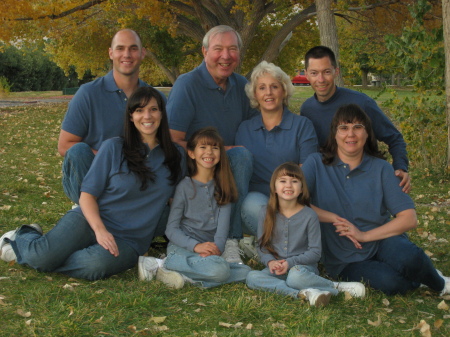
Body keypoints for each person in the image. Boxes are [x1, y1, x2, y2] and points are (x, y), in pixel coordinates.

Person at [0, 87, 185, 280]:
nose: (147, 115)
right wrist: (100, 231)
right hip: (90, 220)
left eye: (153, 109)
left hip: (130, 239)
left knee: (92, 266)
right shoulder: (113, 147)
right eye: (139, 110)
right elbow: (87, 196)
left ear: (162, 113)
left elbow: (177, 201)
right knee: (42, 257)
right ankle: (24, 235)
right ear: (131, 116)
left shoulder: (175, 156)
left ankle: (46, 257)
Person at [301, 104, 450, 295]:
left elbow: (409, 218)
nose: (351, 134)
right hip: (345, 260)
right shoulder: (315, 163)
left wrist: (363, 236)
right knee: (392, 283)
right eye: (344, 128)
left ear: (367, 133)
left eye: (358, 127)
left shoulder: (381, 168)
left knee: (411, 257)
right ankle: (419, 275)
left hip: (382, 240)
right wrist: (332, 217)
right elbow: (293, 202)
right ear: (334, 134)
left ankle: (439, 283)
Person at [166, 25, 258, 263]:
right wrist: (218, 152)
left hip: (229, 168)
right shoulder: (187, 84)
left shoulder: (241, 85)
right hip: (196, 168)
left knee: (243, 156)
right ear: (204, 51)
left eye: (232, 49)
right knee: (240, 156)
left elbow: (257, 126)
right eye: (218, 49)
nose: (226, 56)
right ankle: (231, 239)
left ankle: (231, 241)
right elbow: (173, 140)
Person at [58, 28, 166, 204]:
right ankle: (88, 210)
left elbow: (165, 144)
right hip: (94, 177)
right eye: (120, 48)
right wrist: (114, 161)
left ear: (142, 53)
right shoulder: (88, 93)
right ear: (111, 53)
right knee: (78, 151)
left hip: (137, 179)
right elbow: (65, 145)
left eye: (133, 48)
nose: (127, 54)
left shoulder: (156, 99)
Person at [138, 127, 251, 288]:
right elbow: (171, 230)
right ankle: (168, 263)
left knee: (245, 272)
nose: (209, 152)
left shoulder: (224, 187)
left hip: (210, 252)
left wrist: (216, 249)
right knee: (220, 270)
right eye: (203, 147)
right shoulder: (184, 186)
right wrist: (196, 246)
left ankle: (182, 276)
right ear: (191, 153)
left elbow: (222, 229)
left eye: (215, 148)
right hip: (183, 248)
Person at [246, 163, 365, 307]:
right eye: (283, 181)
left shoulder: (309, 215)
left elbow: (315, 252)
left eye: (294, 181)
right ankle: (304, 293)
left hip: (302, 269)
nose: (288, 185)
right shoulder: (266, 212)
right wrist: (271, 262)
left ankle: (335, 286)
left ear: (302, 188)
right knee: (252, 277)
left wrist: (289, 263)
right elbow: (262, 246)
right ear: (274, 188)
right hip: (277, 269)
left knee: (295, 277)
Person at [300, 46, 411, 193]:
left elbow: (394, 137)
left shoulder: (361, 103)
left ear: (336, 71)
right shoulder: (307, 109)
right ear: (306, 74)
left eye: (326, 72)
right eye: (314, 73)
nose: (320, 79)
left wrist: (400, 167)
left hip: (364, 180)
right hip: (327, 184)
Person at [235, 61, 318, 248]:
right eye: (262, 88)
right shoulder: (245, 129)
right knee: (252, 204)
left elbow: (308, 173)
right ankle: (283, 247)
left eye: (274, 86)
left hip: (293, 200)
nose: (268, 93)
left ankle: (273, 246)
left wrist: (285, 201)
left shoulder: (302, 126)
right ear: (255, 94)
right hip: (258, 204)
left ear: (284, 91)